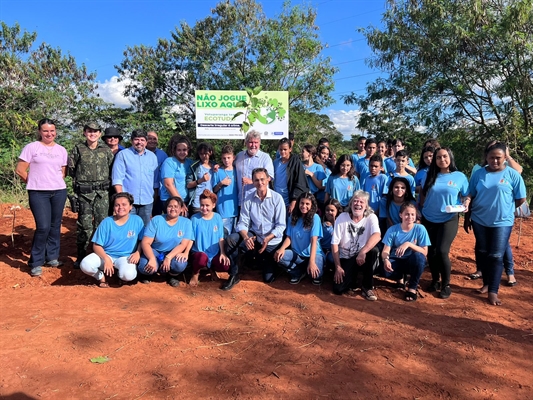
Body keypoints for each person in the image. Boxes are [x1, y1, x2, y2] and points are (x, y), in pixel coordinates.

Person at [464, 142, 526, 305]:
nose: (495, 161)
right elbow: (471, 194)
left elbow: (520, 198)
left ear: (505, 158)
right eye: (491, 158)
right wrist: (467, 216)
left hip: (502, 222)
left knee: (496, 255)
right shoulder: (479, 174)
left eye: (498, 158)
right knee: (483, 252)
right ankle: (486, 283)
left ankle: (493, 291)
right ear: (486, 158)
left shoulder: (513, 175)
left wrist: (505, 208)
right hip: (479, 220)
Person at [15, 118, 68, 277]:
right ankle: (36, 261)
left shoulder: (61, 150)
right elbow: (20, 169)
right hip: (38, 193)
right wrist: (34, 182)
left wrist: (54, 182)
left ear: (56, 132)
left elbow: (62, 172)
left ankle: (52, 257)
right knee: (43, 226)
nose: (49, 134)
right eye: (45, 131)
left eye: (52, 131)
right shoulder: (31, 147)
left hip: (58, 191)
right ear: (39, 131)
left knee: (55, 225)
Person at [224, 168, 287, 290]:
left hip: (271, 241)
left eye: (262, 179)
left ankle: (265, 263)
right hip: (255, 236)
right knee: (231, 239)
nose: (260, 183)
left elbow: (281, 226)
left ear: (268, 179)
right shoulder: (248, 198)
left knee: (268, 278)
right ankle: (234, 273)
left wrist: (268, 238)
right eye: (256, 180)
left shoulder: (277, 198)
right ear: (252, 182)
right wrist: (246, 237)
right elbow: (242, 223)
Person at [420, 147, 469, 299]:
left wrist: (466, 203)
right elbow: (422, 195)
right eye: (438, 157)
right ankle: (435, 280)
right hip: (428, 218)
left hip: (449, 218)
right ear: (435, 160)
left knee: (442, 251)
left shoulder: (459, 176)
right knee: (432, 252)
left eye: (445, 157)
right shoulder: (429, 175)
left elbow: (466, 195)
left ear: (450, 158)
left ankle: (446, 284)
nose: (442, 160)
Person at [68, 122, 114, 268]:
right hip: (84, 194)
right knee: (84, 226)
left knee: (102, 225)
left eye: (95, 131)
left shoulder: (106, 150)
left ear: (100, 134)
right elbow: (71, 170)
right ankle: (81, 256)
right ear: (84, 132)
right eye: (89, 131)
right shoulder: (78, 149)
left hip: (102, 194)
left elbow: (112, 170)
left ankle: (104, 257)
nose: (92, 134)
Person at [80, 192, 144, 288]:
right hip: (106, 255)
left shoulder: (137, 220)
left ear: (131, 207)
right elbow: (96, 245)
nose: (120, 207)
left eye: (124, 204)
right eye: (117, 205)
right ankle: (100, 276)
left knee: (128, 275)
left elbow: (142, 241)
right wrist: (106, 258)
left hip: (126, 257)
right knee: (85, 264)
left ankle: (119, 276)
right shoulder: (107, 222)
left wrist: (138, 253)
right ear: (113, 207)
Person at [331, 191, 381, 300]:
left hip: (363, 257)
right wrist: (338, 267)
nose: (358, 204)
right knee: (338, 289)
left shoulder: (371, 217)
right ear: (350, 204)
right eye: (355, 201)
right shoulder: (342, 218)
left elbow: (377, 235)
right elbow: (334, 243)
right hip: (346, 257)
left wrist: (363, 252)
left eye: (361, 202)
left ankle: (367, 287)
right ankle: (354, 279)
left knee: (374, 251)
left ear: (366, 206)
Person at [137, 196, 193, 287]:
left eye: (176, 206)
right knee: (144, 267)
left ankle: (171, 276)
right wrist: (151, 258)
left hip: (173, 252)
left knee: (180, 264)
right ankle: (151, 273)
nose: (173, 209)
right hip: (156, 250)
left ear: (181, 209)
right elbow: (145, 242)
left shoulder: (187, 223)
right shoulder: (156, 220)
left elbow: (183, 244)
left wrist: (168, 257)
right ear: (166, 208)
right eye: (170, 206)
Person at [382, 202, 431, 301]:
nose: (410, 217)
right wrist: (386, 260)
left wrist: (408, 244)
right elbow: (385, 250)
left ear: (416, 215)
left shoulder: (420, 229)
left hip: (411, 260)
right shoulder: (392, 230)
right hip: (396, 259)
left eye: (412, 214)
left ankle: (412, 287)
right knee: (385, 271)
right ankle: (400, 277)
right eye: (407, 214)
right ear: (401, 215)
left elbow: (425, 252)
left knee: (419, 257)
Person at [274, 193, 325, 285]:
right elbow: (289, 237)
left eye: (307, 204)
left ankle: (312, 267)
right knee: (279, 256)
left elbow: (314, 240)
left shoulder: (315, 218)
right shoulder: (292, 217)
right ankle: (298, 273)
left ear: (312, 205)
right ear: (298, 204)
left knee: (316, 276)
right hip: (297, 254)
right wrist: (282, 249)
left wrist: (312, 261)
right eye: (302, 203)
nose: (304, 206)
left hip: (313, 254)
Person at [112, 129, 159, 226]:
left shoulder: (152, 157)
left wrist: (153, 199)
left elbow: (155, 181)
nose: (139, 142)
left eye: (142, 140)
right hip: (128, 203)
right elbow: (117, 179)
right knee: (128, 228)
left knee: (144, 230)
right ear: (131, 141)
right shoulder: (123, 155)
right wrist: (123, 200)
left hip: (147, 201)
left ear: (146, 142)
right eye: (136, 139)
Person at [189, 190, 231, 286]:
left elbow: (221, 237)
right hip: (199, 251)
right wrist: (186, 253)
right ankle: (195, 273)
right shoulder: (194, 218)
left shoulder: (217, 217)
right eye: (202, 205)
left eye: (207, 205)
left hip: (214, 252)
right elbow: (191, 238)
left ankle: (212, 269)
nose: (204, 208)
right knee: (201, 259)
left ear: (213, 205)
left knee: (225, 265)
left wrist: (223, 253)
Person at [235, 130, 274, 206]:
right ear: (246, 143)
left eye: (256, 142)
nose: (253, 145)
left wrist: (252, 181)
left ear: (259, 143)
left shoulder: (265, 157)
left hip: (258, 201)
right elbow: (228, 165)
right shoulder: (239, 156)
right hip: (241, 200)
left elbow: (269, 177)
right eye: (251, 142)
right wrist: (219, 165)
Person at [273, 138, 308, 214]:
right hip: (276, 200)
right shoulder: (275, 163)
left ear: (290, 149)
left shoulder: (295, 163)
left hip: (288, 201)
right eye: (281, 149)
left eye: (285, 149)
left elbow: (300, 182)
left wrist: (294, 200)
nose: (283, 152)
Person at [160, 135, 194, 211]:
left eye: (184, 150)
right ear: (174, 150)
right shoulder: (169, 162)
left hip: (186, 201)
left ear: (188, 150)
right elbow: (168, 184)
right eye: (179, 150)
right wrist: (180, 203)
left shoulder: (190, 162)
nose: (182, 152)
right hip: (171, 201)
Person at [212, 145, 239, 236]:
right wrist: (221, 183)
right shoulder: (218, 171)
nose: (226, 160)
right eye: (224, 158)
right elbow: (214, 190)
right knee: (224, 236)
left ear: (233, 158)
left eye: (228, 158)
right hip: (223, 210)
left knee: (234, 239)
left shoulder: (237, 171)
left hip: (237, 210)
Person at [186, 142, 215, 215]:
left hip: (210, 203)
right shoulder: (194, 166)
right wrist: (201, 180)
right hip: (197, 203)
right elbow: (188, 184)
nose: (203, 156)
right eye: (201, 154)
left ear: (210, 152)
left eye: (205, 153)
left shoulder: (215, 166)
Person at [146, 131, 168, 216]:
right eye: (149, 138)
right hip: (145, 191)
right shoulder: (138, 154)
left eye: (154, 139)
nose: (152, 141)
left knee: (157, 217)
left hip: (159, 193)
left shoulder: (163, 155)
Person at [321, 198, 343, 270]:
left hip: (334, 251)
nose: (329, 212)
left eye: (332, 210)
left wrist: (334, 224)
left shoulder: (341, 223)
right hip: (322, 250)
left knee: (332, 258)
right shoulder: (322, 223)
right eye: (327, 210)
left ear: (337, 211)